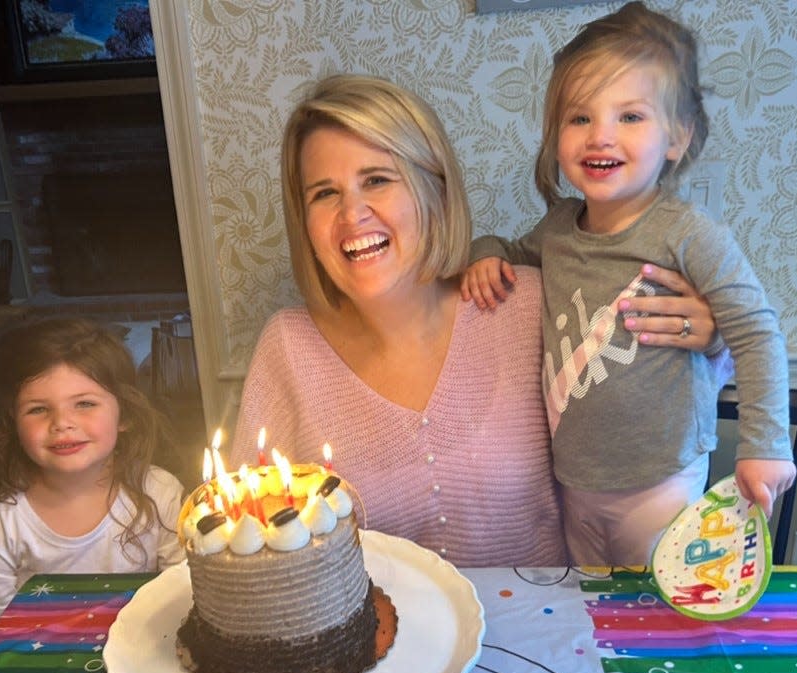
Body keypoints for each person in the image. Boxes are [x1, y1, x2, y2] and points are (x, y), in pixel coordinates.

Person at [229, 73, 722, 568]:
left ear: (434, 189)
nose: (352, 213)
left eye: (377, 179)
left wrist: (709, 337)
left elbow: (654, 406)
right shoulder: (288, 348)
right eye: (324, 193)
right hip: (380, 642)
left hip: (549, 631)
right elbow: (248, 546)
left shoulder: (527, 303)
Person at [461, 2, 795, 566]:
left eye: (630, 117)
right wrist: (484, 254)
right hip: (573, 479)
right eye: (579, 117)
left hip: (660, 478)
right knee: (591, 613)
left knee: (655, 614)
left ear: (677, 138)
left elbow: (756, 332)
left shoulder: (689, 234)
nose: (600, 136)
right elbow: (510, 253)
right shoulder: (557, 229)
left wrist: (766, 445)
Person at [0, 316, 183, 644]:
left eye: (85, 404)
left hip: (148, 660)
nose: (62, 423)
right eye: (38, 410)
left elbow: (185, 596)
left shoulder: (160, 493)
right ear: (13, 423)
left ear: (126, 416)